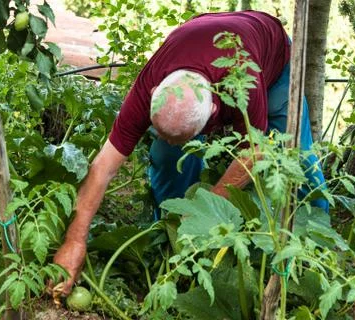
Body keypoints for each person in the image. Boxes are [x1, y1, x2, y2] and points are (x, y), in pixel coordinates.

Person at [51, 10, 328, 295]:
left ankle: (318, 254)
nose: (173, 141)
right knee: (167, 156)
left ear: (213, 111)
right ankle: (172, 235)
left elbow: (253, 152)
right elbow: (104, 164)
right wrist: (75, 239)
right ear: (156, 91)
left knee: (300, 160)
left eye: (182, 137)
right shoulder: (150, 82)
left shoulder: (246, 80)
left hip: (274, 65)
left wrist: (203, 208)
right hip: (202, 38)